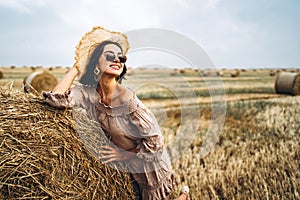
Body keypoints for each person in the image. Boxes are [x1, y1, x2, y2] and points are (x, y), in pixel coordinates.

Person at [42, 26, 189, 200]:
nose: (117, 60)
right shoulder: (89, 94)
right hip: (127, 168)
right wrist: (76, 67)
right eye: (110, 56)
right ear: (96, 62)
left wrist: (122, 155)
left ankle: (184, 195)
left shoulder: (130, 102)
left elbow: (156, 144)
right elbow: (56, 99)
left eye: (122, 57)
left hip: (150, 166)